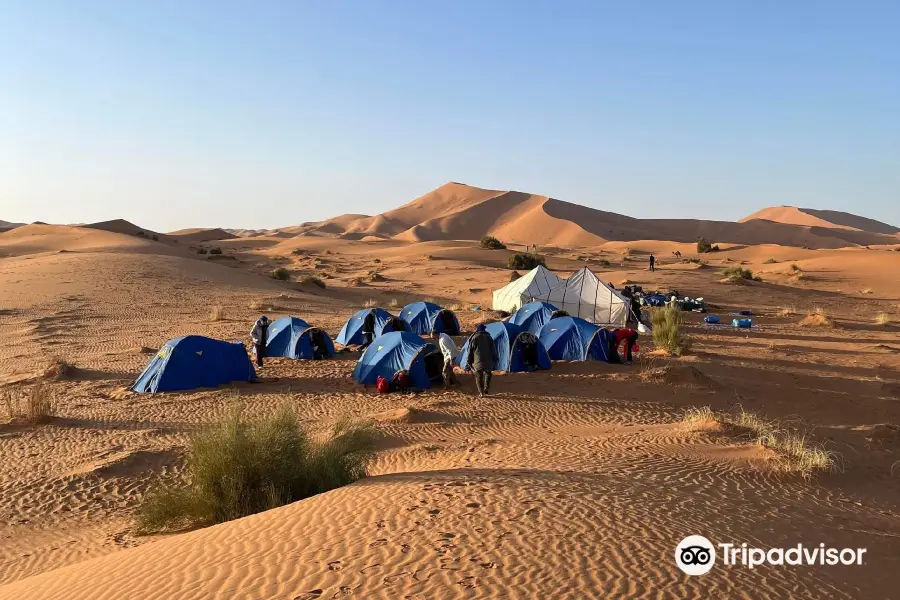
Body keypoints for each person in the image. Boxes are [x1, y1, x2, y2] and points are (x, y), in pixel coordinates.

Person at [466, 324, 498, 397]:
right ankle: (486, 388)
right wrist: (495, 358)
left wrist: (468, 362)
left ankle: (481, 392)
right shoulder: (489, 337)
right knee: (488, 374)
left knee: (479, 376)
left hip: (478, 361)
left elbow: (470, 351)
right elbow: (493, 349)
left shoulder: (475, 337)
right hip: (488, 361)